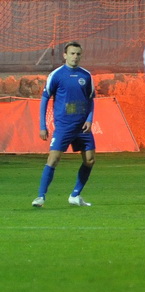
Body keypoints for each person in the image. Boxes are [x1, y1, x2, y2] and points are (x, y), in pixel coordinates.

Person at [32, 42, 96, 208]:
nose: (75, 57)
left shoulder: (86, 76)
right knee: (53, 159)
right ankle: (41, 197)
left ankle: (75, 195)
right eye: (72, 53)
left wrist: (89, 119)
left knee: (89, 160)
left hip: (82, 127)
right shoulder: (57, 75)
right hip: (64, 126)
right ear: (65, 55)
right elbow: (45, 98)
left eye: (78, 54)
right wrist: (42, 125)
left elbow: (90, 100)